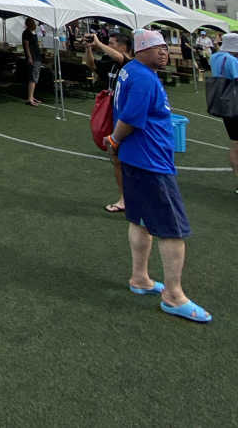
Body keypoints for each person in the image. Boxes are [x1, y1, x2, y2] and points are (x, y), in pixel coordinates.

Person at [106, 28, 211, 322]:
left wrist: (116, 144)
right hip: (150, 163)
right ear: (141, 50)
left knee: (140, 221)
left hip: (136, 160)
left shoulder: (132, 71)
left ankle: (140, 278)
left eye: (166, 47)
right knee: (172, 229)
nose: (164, 52)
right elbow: (130, 118)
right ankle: (174, 296)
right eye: (158, 47)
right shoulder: (142, 77)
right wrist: (114, 140)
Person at [83, 30, 133, 213]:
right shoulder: (110, 63)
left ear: (123, 47)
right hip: (112, 115)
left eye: (112, 43)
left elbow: (123, 60)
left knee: (129, 159)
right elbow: (92, 65)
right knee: (117, 159)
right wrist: (89, 49)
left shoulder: (131, 64)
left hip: (127, 118)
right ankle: (124, 199)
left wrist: (98, 44)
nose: (108, 46)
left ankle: (134, 198)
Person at [208, 31, 238, 194]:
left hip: (224, 105)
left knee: (234, 142)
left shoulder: (214, 57)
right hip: (235, 104)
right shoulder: (232, 60)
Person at [22, 17, 42, 106]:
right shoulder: (26, 33)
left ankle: (32, 96)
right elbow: (26, 46)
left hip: (37, 57)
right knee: (33, 78)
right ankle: (30, 98)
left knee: (35, 77)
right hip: (33, 57)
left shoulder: (32, 32)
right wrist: (29, 57)